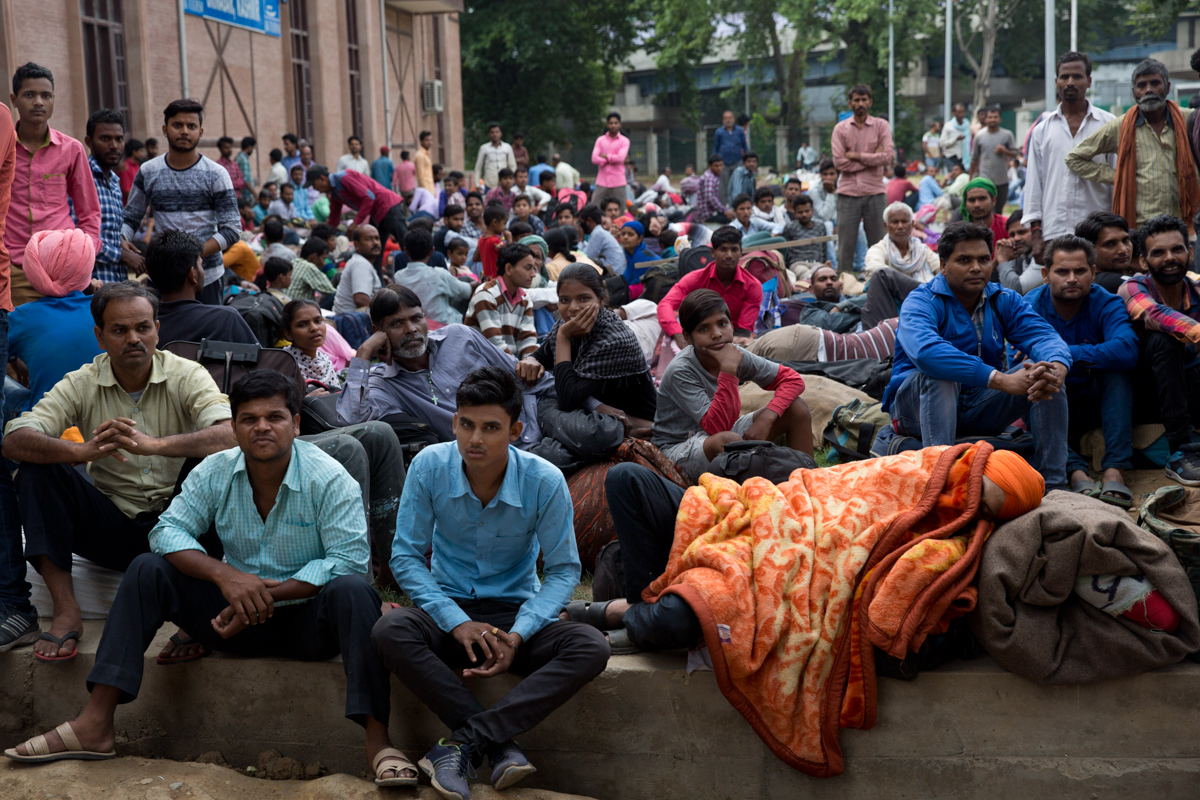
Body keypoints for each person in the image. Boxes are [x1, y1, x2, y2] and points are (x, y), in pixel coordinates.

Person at [5, 370, 415, 788]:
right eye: (249, 419)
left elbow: (347, 559)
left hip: (308, 626)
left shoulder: (328, 477)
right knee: (150, 568)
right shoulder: (216, 469)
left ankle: (378, 742)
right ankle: (95, 723)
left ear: (296, 424)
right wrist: (227, 578)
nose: (261, 428)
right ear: (233, 426)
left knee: (353, 590)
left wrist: (262, 597)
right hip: (228, 620)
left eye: (274, 417)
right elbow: (166, 532)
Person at [370, 365, 608, 800]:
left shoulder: (544, 479)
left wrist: (518, 634)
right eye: (466, 424)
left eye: (491, 427)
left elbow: (563, 571)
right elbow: (404, 557)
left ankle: (462, 744)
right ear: (454, 422)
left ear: (516, 430)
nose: (475, 439)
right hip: (448, 613)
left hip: (513, 618)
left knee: (591, 646)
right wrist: (454, 620)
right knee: (390, 629)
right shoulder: (429, 465)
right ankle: (498, 745)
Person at [2, 282, 236, 661]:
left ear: (157, 329)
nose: (134, 338)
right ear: (99, 336)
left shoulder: (186, 374)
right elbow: (15, 438)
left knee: (215, 463)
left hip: (184, 529)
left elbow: (230, 434)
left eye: (143, 327)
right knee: (36, 472)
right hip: (115, 529)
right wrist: (83, 449)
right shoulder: (82, 381)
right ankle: (66, 609)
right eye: (119, 330)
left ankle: (192, 616)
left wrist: (155, 444)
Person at [882, 222, 1071, 491]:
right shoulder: (922, 301)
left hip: (979, 404)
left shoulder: (1003, 299)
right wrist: (999, 379)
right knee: (940, 376)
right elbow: (927, 352)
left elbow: (1044, 337)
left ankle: (1054, 486)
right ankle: (943, 486)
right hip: (916, 409)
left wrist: (1059, 365)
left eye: (983, 259)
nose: (976, 268)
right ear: (944, 265)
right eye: (964, 260)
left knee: (1045, 377)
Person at [337, 286, 552, 447]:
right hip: (500, 453)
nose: (411, 329)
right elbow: (351, 420)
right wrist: (364, 352)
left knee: (582, 430)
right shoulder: (385, 385)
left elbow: (520, 375)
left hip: (537, 419)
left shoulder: (460, 336)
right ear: (378, 331)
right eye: (396, 323)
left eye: (416, 318)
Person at [652, 289, 811, 481]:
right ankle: (751, 498)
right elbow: (718, 427)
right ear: (687, 337)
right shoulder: (681, 370)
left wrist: (766, 419)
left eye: (722, 324)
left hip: (722, 433)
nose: (717, 334)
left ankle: (808, 481)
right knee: (729, 442)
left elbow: (792, 380)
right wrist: (728, 371)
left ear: (731, 325)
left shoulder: (735, 353)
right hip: (676, 449)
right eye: (704, 329)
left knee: (797, 408)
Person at [1025, 235, 1138, 505]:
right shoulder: (1029, 306)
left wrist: (1063, 353)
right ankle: (1074, 471)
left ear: (1093, 272)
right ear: (1045, 274)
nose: (1072, 278)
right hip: (1050, 403)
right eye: (1062, 271)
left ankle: (1115, 470)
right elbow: (1022, 363)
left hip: (1098, 402)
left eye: (1080, 271)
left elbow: (1127, 350)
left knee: (1117, 372)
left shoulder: (1106, 302)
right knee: (1037, 377)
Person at [122, 99, 240, 306]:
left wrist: (190, 255)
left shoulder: (216, 174)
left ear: (200, 132)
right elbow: (130, 218)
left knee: (206, 336)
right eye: (178, 125)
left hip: (207, 276)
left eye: (191, 126)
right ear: (165, 129)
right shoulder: (148, 171)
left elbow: (232, 229)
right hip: (162, 277)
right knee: (163, 335)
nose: (184, 131)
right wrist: (122, 239)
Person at [6, 62, 101, 307]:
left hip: (64, 270)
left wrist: (83, 256)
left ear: (53, 100)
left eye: (45, 95)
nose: (38, 102)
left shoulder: (71, 149)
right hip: (14, 268)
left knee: (66, 338)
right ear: (14, 100)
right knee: (19, 338)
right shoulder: (3, 147)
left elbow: (89, 211)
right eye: (29, 95)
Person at [1067, 58, 1198, 229]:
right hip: (1140, 227)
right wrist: (1118, 176)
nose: (1148, 90)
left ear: (1167, 88)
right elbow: (1074, 158)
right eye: (1141, 85)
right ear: (1134, 92)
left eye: (1155, 83)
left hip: (1186, 224)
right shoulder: (1120, 126)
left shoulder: (1189, 119)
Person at [1119, 215, 1200, 485]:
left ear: (1189, 253)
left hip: (1189, 389)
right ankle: (1180, 451)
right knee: (1165, 340)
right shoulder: (1133, 287)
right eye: (1158, 252)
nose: (1169, 258)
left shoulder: (1197, 288)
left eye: (1177, 249)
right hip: (1147, 394)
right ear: (1143, 261)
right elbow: (1153, 314)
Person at [1023, 53, 1115, 261]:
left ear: (1089, 81)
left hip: (1099, 231)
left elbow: (1117, 179)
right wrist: (1036, 233)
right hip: (1055, 229)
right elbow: (1034, 185)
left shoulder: (1109, 126)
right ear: (1056, 82)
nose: (1070, 82)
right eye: (1064, 77)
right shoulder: (1042, 130)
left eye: (1077, 76)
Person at [6, 230, 102, 417]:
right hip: (102, 419)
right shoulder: (106, 309)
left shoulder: (22, 317)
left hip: (44, 421)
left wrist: (12, 359)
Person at [147, 230, 258, 347]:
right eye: (200, 265)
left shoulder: (146, 328)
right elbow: (261, 360)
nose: (203, 271)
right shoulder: (226, 319)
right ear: (193, 274)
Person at [658, 226, 764, 348]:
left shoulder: (752, 286)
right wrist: (677, 334)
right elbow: (665, 305)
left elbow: (743, 329)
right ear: (713, 252)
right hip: (699, 335)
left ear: (741, 252)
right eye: (723, 249)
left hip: (734, 338)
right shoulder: (695, 279)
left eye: (734, 249)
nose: (729, 255)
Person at [831, 84, 894, 275]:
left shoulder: (881, 126)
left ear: (870, 102)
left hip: (874, 191)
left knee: (879, 243)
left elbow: (888, 157)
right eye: (856, 100)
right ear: (850, 103)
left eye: (864, 99)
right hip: (847, 193)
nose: (860, 103)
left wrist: (856, 156)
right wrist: (872, 158)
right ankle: (844, 283)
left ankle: (881, 281)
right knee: (846, 245)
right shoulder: (840, 129)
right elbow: (839, 163)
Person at [86, 109, 144, 284]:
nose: (114, 146)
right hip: (90, 287)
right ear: (89, 142)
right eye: (105, 139)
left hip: (115, 282)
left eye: (119, 139)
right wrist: (122, 256)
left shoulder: (114, 182)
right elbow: (79, 240)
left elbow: (106, 231)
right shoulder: (81, 179)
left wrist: (120, 243)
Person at [307, 165, 408, 250]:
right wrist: (325, 237)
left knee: (406, 244)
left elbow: (369, 198)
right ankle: (376, 273)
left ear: (322, 178)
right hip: (376, 213)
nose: (316, 189)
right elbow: (333, 218)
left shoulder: (344, 178)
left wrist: (355, 224)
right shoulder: (334, 193)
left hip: (388, 205)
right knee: (373, 250)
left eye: (314, 185)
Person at [465, 243, 538, 358]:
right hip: (480, 361)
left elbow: (527, 340)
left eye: (534, 269)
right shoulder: (486, 294)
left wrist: (531, 363)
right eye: (528, 268)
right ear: (509, 269)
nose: (533, 274)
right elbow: (495, 345)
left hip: (508, 361)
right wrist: (518, 367)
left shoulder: (525, 299)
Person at [395, 227, 473, 325]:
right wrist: (477, 284)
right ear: (431, 251)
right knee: (466, 284)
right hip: (442, 326)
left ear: (406, 251)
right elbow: (467, 291)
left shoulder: (398, 277)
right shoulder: (439, 274)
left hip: (412, 324)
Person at [864, 201, 939, 283]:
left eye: (904, 221)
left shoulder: (922, 249)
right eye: (895, 222)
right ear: (886, 226)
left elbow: (940, 267)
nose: (900, 226)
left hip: (922, 294)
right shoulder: (878, 249)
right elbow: (876, 269)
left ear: (912, 225)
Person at [282, 299, 342, 390]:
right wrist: (306, 400)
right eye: (302, 325)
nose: (314, 328)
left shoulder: (324, 361)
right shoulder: (285, 365)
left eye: (318, 321)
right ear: (289, 334)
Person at [968, 106, 1018, 208]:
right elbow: (974, 158)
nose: (992, 119)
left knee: (998, 209)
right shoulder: (979, 136)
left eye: (995, 117)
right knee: (986, 208)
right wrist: (970, 178)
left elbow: (1015, 153)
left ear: (1000, 119)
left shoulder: (1007, 135)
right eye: (990, 117)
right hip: (985, 179)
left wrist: (1005, 151)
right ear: (985, 119)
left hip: (1002, 180)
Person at [1076, 211, 1136, 293]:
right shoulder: (1102, 282)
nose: (1123, 249)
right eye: (1110, 244)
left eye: (1125, 240)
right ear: (1089, 250)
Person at [333, 225, 384, 316]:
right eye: (369, 239)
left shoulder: (360, 262)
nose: (375, 242)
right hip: (351, 322)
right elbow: (361, 299)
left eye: (377, 238)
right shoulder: (361, 264)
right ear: (356, 245)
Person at [995, 210, 1041, 294]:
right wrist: (997, 258)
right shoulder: (1019, 254)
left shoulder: (1042, 256)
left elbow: (1015, 289)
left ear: (1035, 231)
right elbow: (992, 284)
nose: (1016, 238)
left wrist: (1002, 259)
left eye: (1021, 232)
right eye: (1012, 235)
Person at [960, 177, 1008, 256]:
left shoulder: (1006, 227)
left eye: (982, 199)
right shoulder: (960, 232)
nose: (977, 205)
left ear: (993, 200)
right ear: (965, 203)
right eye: (971, 200)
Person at [713, 110, 748, 205]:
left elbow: (744, 146)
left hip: (738, 161)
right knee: (723, 186)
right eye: (726, 118)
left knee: (738, 185)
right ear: (723, 120)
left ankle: (738, 206)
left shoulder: (740, 131)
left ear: (733, 119)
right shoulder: (719, 132)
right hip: (723, 163)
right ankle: (723, 208)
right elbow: (715, 148)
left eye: (730, 118)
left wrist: (746, 160)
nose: (728, 120)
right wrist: (714, 163)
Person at [579, 203, 625, 273]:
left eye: (581, 223)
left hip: (613, 275)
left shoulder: (598, 233)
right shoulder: (599, 231)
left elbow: (584, 259)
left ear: (589, 221)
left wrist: (580, 239)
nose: (580, 226)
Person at [692, 153, 733, 224]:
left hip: (711, 212)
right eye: (716, 166)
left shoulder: (714, 176)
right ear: (709, 166)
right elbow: (710, 197)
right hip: (707, 214)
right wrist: (724, 210)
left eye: (721, 165)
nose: (719, 168)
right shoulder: (709, 178)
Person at [474, 123, 516, 190]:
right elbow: (478, 168)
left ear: (500, 133)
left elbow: (513, 166)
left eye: (497, 132)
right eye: (492, 132)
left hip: (504, 183)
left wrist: (512, 181)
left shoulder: (507, 147)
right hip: (489, 184)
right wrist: (477, 184)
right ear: (489, 134)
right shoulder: (484, 148)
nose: (495, 134)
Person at [473, 205, 510, 280]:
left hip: (486, 278)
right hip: (497, 280)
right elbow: (510, 256)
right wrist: (509, 239)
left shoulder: (481, 239)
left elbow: (475, 258)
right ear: (495, 222)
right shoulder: (496, 241)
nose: (505, 227)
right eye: (504, 223)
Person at [618, 220, 657, 289]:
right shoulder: (630, 254)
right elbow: (627, 279)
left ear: (639, 238)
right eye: (623, 234)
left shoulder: (641, 255)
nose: (625, 237)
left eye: (630, 234)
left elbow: (639, 285)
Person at [940, 102, 972, 171]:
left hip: (964, 158)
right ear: (954, 113)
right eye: (959, 112)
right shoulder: (948, 126)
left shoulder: (967, 125)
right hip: (951, 157)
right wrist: (955, 139)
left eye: (963, 112)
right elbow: (942, 143)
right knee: (954, 178)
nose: (961, 114)